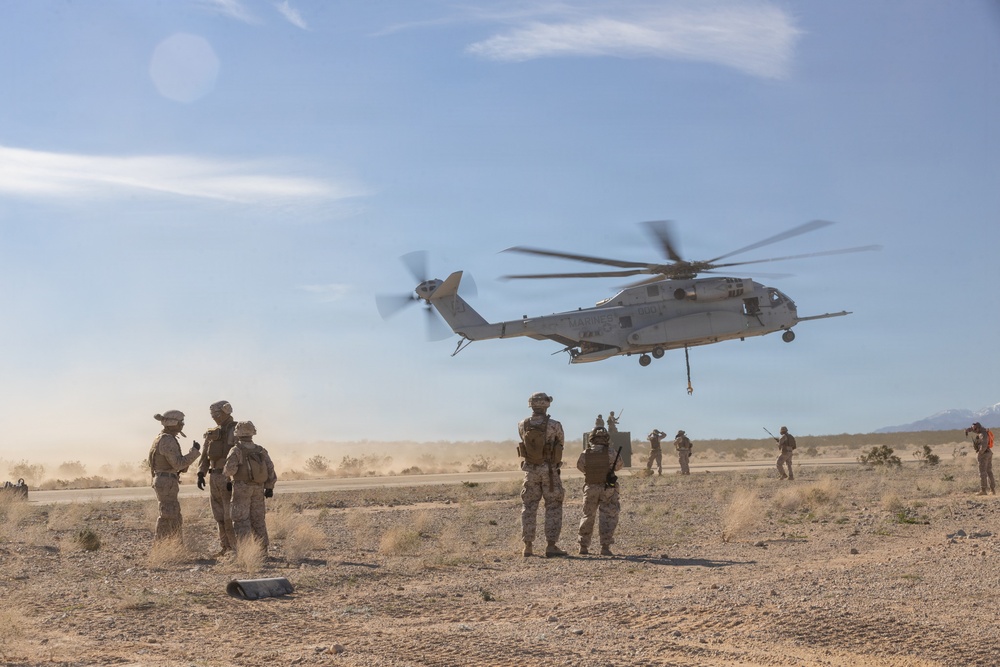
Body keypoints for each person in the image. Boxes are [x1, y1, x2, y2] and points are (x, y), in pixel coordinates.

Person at [517, 392, 567, 558]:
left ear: (531, 404)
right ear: (546, 405)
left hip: (530, 471)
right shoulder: (555, 425)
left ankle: (528, 546)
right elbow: (560, 443)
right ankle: (551, 546)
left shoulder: (522, 424)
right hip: (549, 471)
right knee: (553, 506)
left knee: (529, 507)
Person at [223, 421, 277, 552]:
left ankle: (245, 551)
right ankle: (262, 550)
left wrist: (228, 480)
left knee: (241, 520)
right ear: (253, 432)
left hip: (242, 488)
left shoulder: (236, 450)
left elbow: (230, 470)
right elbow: (270, 468)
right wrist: (269, 487)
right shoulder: (260, 450)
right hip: (258, 488)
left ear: (238, 433)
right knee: (258, 520)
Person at [148, 411, 201, 542]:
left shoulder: (161, 438)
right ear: (173, 422)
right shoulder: (168, 440)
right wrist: (194, 452)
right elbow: (178, 464)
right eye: (181, 422)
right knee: (169, 514)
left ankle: (169, 544)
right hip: (166, 481)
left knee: (171, 514)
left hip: (164, 480)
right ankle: (165, 545)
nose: (182, 425)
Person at [196, 400, 238, 555]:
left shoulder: (236, 430)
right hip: (214, 476)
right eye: (212, 414)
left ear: (226, 412)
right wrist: (201, 473)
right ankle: (225, 547)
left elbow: (240, 454)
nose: (214, 417)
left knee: (229, 515)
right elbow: (205, 455)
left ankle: (235, 547)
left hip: (228, 477)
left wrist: (232, 477)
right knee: (218, 514)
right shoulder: (212, 433)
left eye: (217, 414)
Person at [576, 426, 624, 556]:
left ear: (591, 438)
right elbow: (619, 466)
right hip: (607, 488)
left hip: (590, 487)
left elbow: (580, 466)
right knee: (608, 516)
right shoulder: (611, 452)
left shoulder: (585, 453)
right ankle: (605, 547)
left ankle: (583, 546)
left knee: (587, 516)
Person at [967, 422, 995, 495]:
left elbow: (984, 445)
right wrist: (969, 429)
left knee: (982, 472)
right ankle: (992, 490)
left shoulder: (982, 434)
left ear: (978, 428)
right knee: (989, 471)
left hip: (984, 455)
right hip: (988, 453)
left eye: (975, 429)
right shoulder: (983, 431)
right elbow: (976, 430)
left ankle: (983, 490)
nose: (974, 430)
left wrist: (980, 453)